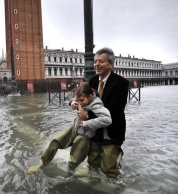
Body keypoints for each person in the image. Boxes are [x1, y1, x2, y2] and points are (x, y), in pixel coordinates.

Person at [28, 83, 112, 173]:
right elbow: (75, 98)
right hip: (74, 128)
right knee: (55, 141)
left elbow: (107, 119)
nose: (79, 103)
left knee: (74, 160)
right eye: (78, 100)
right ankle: (42, 163)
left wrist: (87, 121)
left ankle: (68, 175)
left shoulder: (96, 105)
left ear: (90, 96)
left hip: (84, 136)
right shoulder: (82, 96)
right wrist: (72, 102)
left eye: (81, 100)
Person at [74, 47, 129, 178]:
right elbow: (81, 96)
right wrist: (73, 102)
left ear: (111, 64)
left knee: (109, 167)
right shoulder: (92, 81)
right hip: (95, 130)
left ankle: (117, 186)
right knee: (93, 162)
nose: (96, 64)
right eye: (95, 61)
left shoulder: (121, 83)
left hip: (112, 130)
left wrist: (88, 116)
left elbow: (115, 110)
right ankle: (94, 185)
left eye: (101, 61)